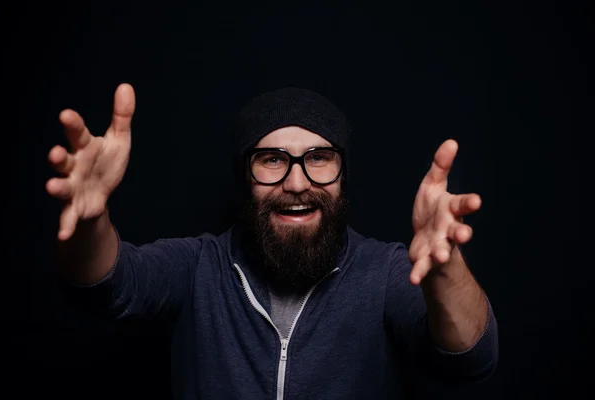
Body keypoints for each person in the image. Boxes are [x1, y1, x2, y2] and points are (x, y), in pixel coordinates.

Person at [46, 83, 498, 399]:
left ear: (343, 176)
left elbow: (471, 360)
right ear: (247, 177)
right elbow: (107, 287)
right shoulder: (200, 265)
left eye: (318, 158)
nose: (297, 182)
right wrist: (91, 222)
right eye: (272, 159)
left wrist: (445, 270)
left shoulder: (383, 273)